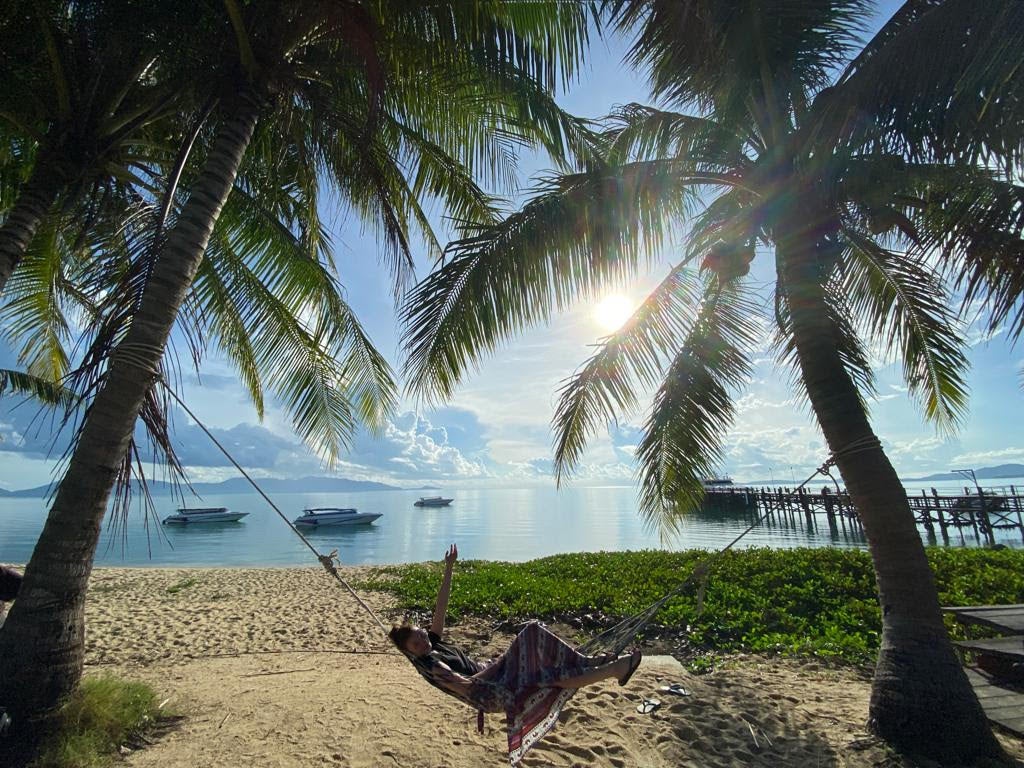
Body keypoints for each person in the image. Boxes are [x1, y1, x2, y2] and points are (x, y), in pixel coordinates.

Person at [389, 544, 642, 765]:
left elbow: (441, 606)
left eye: (421, 635)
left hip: (494, 675)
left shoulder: (434, 641)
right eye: (416, 644)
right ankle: (607, 667)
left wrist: (449, 568)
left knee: (546, 669)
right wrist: (500, 665)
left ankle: (603, 666)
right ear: (410, 652)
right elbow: (468, 685)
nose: (422, 641)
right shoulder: (432, 664)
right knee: (533, 640)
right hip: (490, 691)